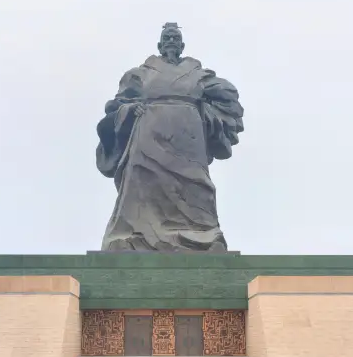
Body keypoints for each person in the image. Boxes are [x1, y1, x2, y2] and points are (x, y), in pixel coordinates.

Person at [95, 23, 244, 252]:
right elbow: (117, 105)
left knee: (197, 186)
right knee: (142, 184)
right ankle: (135, 236)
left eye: (175, 38)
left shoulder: (197, 74)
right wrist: (129, 110)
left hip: (187, 137)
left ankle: (203, 236)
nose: (171, 41)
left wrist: (206, 114)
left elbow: (228, 93)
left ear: (182, 45)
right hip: (148, 133)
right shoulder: (140, 74)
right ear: (159, 44)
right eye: (167, 38)